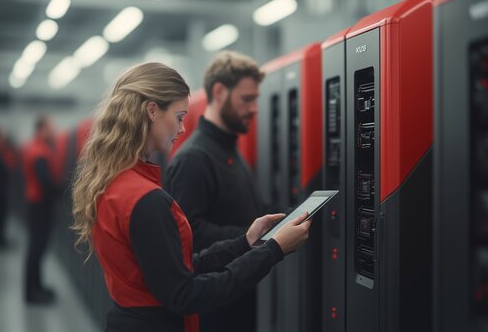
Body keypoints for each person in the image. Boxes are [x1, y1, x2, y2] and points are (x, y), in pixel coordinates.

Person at [71, 62, 310, 332]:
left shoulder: (115, 184)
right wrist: (273, 250)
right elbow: (185, 295)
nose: (183, 128)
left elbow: (176, 267)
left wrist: (245, 242)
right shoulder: (145, 199)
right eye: (179, 116)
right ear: (152, 110)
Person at [164, 51, 266, 332]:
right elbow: (190, 233)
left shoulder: (229, 150)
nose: (254, 108)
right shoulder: (194, 158)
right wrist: (255, 236)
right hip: (215, 309)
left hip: (238, 298)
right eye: (246, 99)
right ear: (219, 92)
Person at [23, 115, 59, 304]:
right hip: (40, 206)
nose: (53, 131)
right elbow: (46, 183)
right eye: (50, 127)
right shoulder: (39, 151)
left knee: (36, 249)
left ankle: (36, 287)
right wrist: (64, 191)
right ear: (41, 129)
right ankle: (32, 293)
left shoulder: (36, 148)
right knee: (36, 249)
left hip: (36, 204)